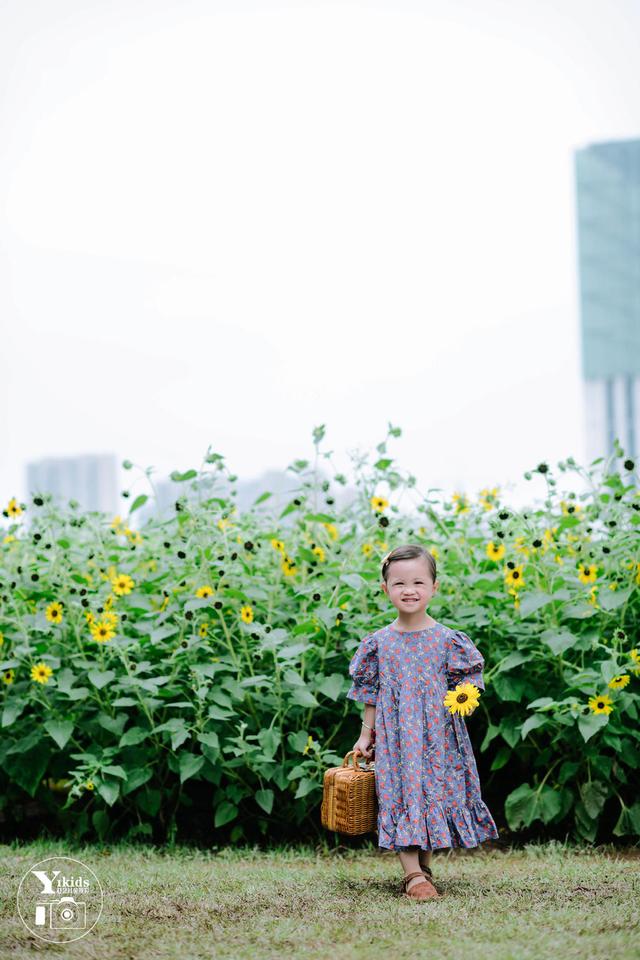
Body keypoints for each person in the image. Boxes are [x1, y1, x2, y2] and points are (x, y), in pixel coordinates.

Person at [347, 542, 500, 901]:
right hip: (396, 738)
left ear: (434, 587)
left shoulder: (448, 641)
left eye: (418, 582)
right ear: (385, 589)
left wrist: (465, 698)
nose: (409, 590)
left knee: (431, 794)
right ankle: (413, 875)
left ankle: (424, 868)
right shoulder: (379, 644)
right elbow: (370, 695)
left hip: (439, 737)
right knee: (399, 794)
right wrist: (365, 736)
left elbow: (467, 684)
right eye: (399, 584)